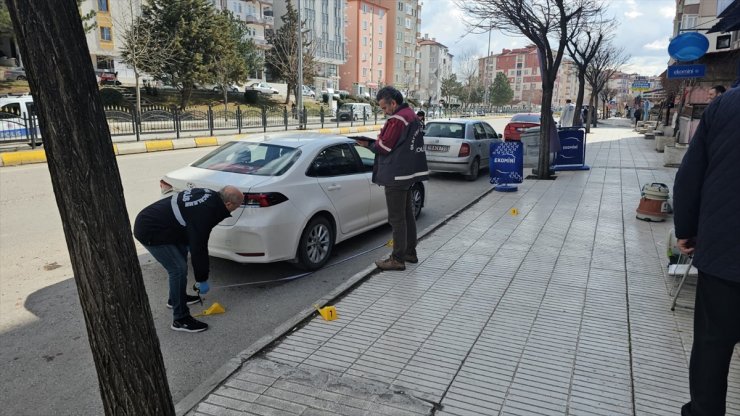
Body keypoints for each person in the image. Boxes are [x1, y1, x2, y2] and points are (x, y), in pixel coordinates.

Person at [674, 87, 740, 416]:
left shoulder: (726, 105)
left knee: (712, 345)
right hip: (724, 250)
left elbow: (691, 174)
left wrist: (686, 229)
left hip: (725, 251)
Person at [134, 186, 244, 333]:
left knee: (180, 256)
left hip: (165, 225)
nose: (236, 209)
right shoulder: (207, 212)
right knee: (178, 269)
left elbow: (190, 227)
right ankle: (180, 319)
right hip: (150, 229)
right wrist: (201, 278)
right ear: (228, 204)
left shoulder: (211, 196)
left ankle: (175, 299)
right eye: (237, 206)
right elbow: (199, 246)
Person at [355, 87, 429, 271]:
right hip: (407, 173)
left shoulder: (397, 119)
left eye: (383, 107)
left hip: (396, 174)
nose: (384, 112)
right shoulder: (410, 114)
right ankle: (410, 253)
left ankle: (397, 259)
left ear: (393, 103)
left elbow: (384, 148)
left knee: (397, 219)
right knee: (407, 215)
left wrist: (369, 144)